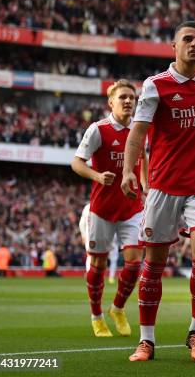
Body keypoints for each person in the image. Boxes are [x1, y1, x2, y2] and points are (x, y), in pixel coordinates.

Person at [121, 20, 195, 363]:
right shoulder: (156, 86)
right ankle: (146, 341)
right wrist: (128, 169)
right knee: (153, 263)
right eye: (188, 39)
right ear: (174, 46)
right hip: (163, 187)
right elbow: (138, 133)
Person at [71, 79, 147, 338]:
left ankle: (117, 308)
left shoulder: (139, 130)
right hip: (101, 209)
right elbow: (76, 163)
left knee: (135, 263)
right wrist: (96, 176)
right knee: (99, 265)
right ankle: (96, 316)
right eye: (123, 97)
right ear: (111, 103)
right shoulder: (98, 130)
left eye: (132, 98)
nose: (128, 101)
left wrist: (146, 185)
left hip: (131, 208)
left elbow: (143, 157)